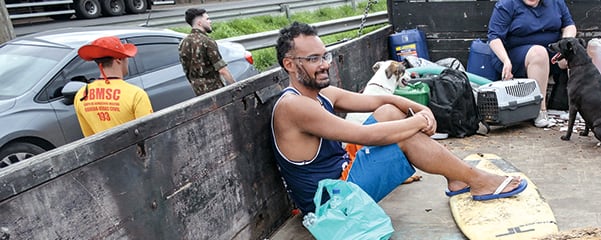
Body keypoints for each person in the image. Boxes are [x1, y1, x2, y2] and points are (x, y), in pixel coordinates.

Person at [270, 22, 526, 215]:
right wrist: (418, 121)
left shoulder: (321, 94)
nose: (324, 64)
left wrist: (421, 109)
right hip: (331, 206)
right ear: (289, 64)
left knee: (390, 113)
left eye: (324, 56)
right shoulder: (294, 106)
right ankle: (476, 179)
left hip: (341, 176)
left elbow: (380, 101)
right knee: (401, 137)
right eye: (313, 59)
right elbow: (365, 135)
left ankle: (457, 176)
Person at [486, 0, 577, 127]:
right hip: (513, 55)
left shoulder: (556, 2)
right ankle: (540, 111)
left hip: (551, 50)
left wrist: (565, 44)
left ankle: (581, 107)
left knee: (576, 53)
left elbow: (569, 25)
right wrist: (506, 60)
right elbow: (494, 37)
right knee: (539, 53)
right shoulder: (507, 4)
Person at [73, 36, 153, 137]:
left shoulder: (81, 95)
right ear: (119, 59)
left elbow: (89, 137)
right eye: (126, 57)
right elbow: (149, 134)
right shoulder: (136, 95)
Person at [179, 8, 236, 96]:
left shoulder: (183, 43)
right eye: (207, 19)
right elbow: (222, 70)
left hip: (199, 93)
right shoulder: (207, 42)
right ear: (199, 23)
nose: (210, 21)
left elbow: (187, 71)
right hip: (216, 92)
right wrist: (236, 86)